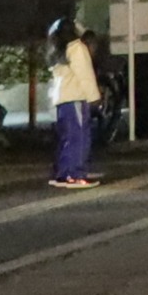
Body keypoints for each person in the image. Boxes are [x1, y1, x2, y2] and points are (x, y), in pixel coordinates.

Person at [48, 15, 105, 188]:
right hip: (75, 99)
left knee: (67, 138)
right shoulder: (77, 48)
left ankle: (63, 173)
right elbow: (85, 75)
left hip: (62, 100)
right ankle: (76, 174)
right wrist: (95, 98)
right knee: (79, 137)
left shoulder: (58, 50)